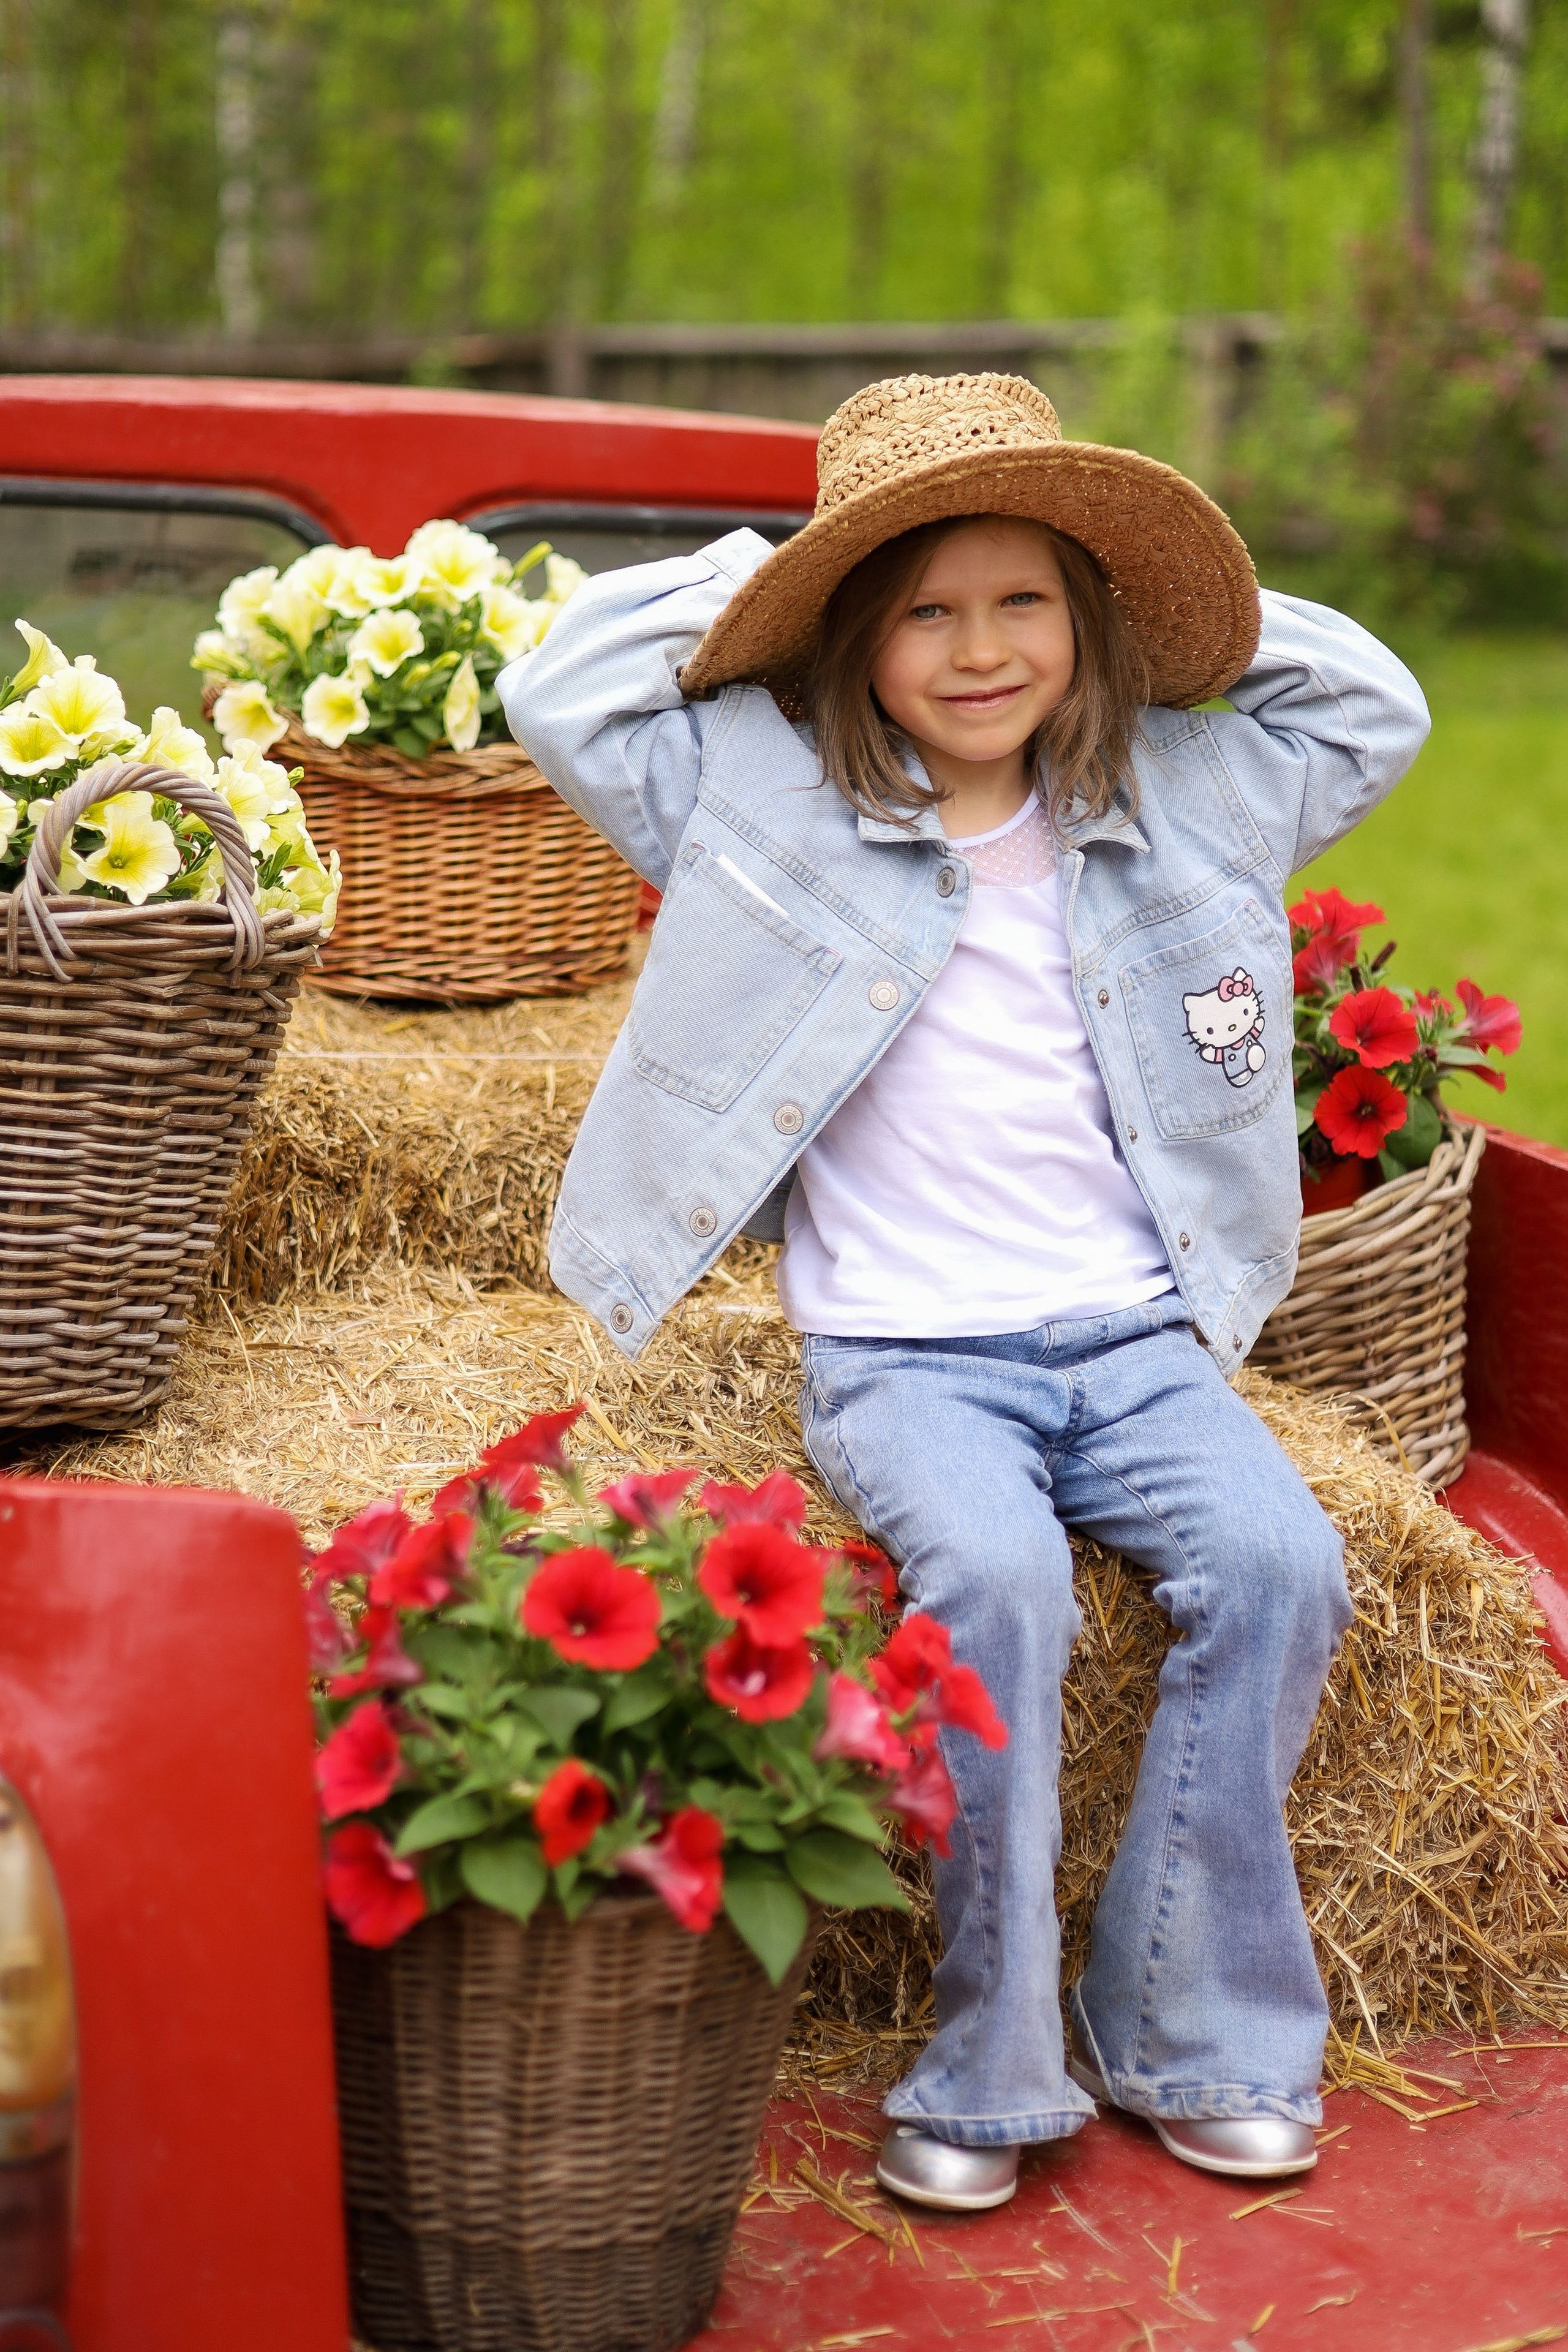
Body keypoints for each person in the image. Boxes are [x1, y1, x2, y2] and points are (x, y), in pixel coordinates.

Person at [498, 374, 1430, 2212]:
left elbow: (1370, 704)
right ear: (855, 636)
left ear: (1092, 629)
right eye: (923, 605)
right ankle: (988, 2063)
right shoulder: (759, 792)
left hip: (1138, 1344)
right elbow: (562, 688)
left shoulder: (1192, 788)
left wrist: (1189, 611)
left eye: (1027, 603)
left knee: (1283, 1563)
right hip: (907, 1356)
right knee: (996, 1593)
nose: (979, 648)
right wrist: (764, 573)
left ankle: (1197, 2032)